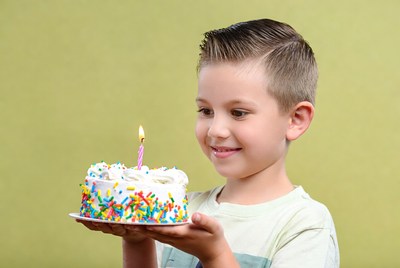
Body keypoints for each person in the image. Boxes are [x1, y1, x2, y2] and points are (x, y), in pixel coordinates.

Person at [77, 18, 340, 268]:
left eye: (238, 113)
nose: (215, 130)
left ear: (295, 119)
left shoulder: (305, 225)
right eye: (206, 111)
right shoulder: (178, 209)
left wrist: (214, 255)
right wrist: (137, 240)